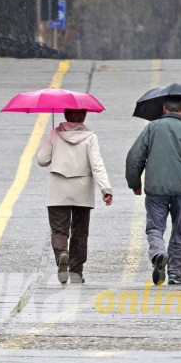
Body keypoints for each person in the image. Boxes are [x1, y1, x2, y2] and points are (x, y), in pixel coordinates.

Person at [125, 95, 181, 286]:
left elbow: (134, 157)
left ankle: (158, 253)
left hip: (155, 188)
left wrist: (134, 182)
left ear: (163, 108)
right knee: (180, 230)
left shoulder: (151, 128)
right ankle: (176, 273)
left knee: (155, 227)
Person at [37, 109, 113, 284]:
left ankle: (61, 253)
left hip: (58, 188)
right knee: (80, 232)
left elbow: (42, 160)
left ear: (65, 115)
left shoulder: (55, 134)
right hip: (82, 189)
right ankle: (76, 272)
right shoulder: (90, 137)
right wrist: (105, 189)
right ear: (84, 116)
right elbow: (97, 165)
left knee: (59, 229)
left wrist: (52, 142)